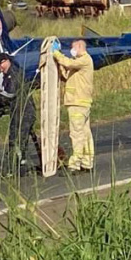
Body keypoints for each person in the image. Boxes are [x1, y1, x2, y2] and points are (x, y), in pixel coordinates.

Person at [0, 54, 40, 174]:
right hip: (18, 111)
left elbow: (10, 94)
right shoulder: (9, 74)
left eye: (0, 64)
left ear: (7, 61)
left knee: (17, 140)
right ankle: (18, 166)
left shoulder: (13, 74)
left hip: (23, 112)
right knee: (18, 139)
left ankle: (16, 168)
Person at [53, 39, 95, 172]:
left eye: (73, 48)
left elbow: (68, 63)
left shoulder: (84, 60)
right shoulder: (79, 64)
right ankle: (87, 162)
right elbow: (67, 75)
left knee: (77, 134)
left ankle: (75, 164)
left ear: (79, 46)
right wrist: (60, 66)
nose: (72, 51)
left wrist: (56, 53)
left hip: (78, 102)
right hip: (80, 102)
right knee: (85, 133)